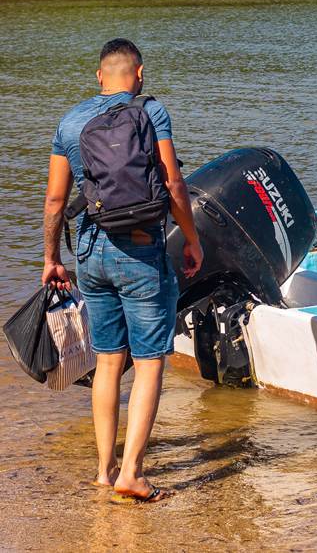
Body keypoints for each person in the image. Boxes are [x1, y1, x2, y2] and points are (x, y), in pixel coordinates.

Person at [41, 39, 203, 503]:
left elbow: (55, 201)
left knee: (109, 361)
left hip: (90, 252)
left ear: (98, 76)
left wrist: (52, 258)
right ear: (140, 74)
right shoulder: (152, 113)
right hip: (141, 251)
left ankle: (104, 469)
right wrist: (191, 239)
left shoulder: (70, 122)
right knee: (150, 363)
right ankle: (133, 472)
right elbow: (173, 182)